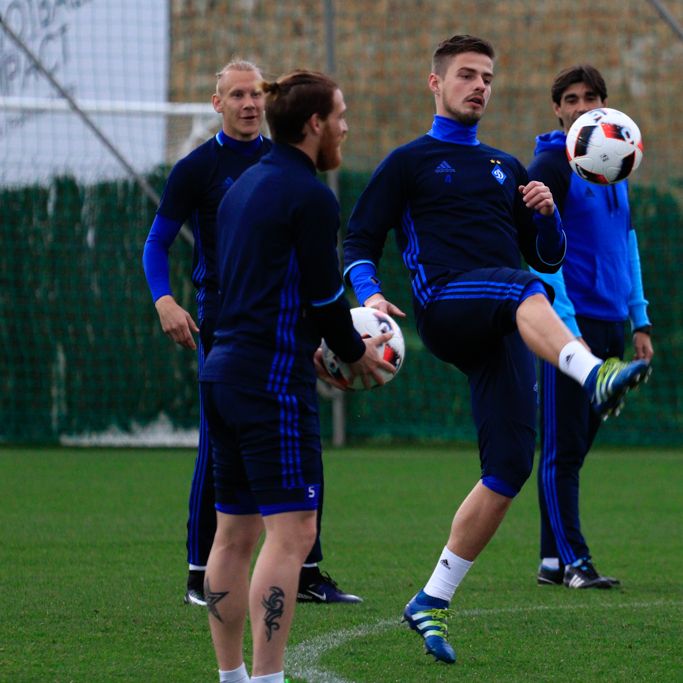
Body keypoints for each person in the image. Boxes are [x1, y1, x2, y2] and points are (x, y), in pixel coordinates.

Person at [343, 35, 651, 664]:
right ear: (436, 84)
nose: (479, 85)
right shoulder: (409, 161)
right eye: (465, 75)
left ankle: (431, 598)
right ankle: (593, 374)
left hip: (503, 318)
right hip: (448, 306)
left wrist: (543, 215)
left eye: (487, 76)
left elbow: (547, 257)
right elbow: (358, 239)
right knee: (522, 288)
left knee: (509, 468)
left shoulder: (507, 167)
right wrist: (370, 295)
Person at [142, 60, 361, 608]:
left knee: (302, 446)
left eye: (256, 94)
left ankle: (306, 571)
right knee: (220, 449)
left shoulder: (280, 165)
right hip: (227, 321)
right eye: (236, 94)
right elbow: (156, 243)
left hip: (284, 323)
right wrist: (165, 299)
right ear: (216, 103)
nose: (248, 103)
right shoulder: (199, 169)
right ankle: (201, 570)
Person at [199, 70, 394, 683]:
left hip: (224, 371)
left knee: (232, 535)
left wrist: (315, 343)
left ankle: (232, 677)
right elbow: (324, 292)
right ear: (314, 125)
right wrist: (351, 351)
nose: (345, 127)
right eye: (340, 115)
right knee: (293, 534)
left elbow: (264, 289)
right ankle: (268, 679)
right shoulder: (311, 196)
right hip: (270, 383)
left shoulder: (243, 186)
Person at [529, 65, 654, 590]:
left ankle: (551, 561)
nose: (582, 106)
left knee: (575, 448)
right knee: (562, 448)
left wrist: (639, 318)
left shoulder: (614, 161)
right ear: (558, 109)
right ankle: (576, 563)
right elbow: (539, 253)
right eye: (572, 99)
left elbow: (625, 246)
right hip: (568, 331)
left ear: (605, 104)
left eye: (592, 97)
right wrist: (567, 327)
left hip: (610, 325)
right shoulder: (553, 163)